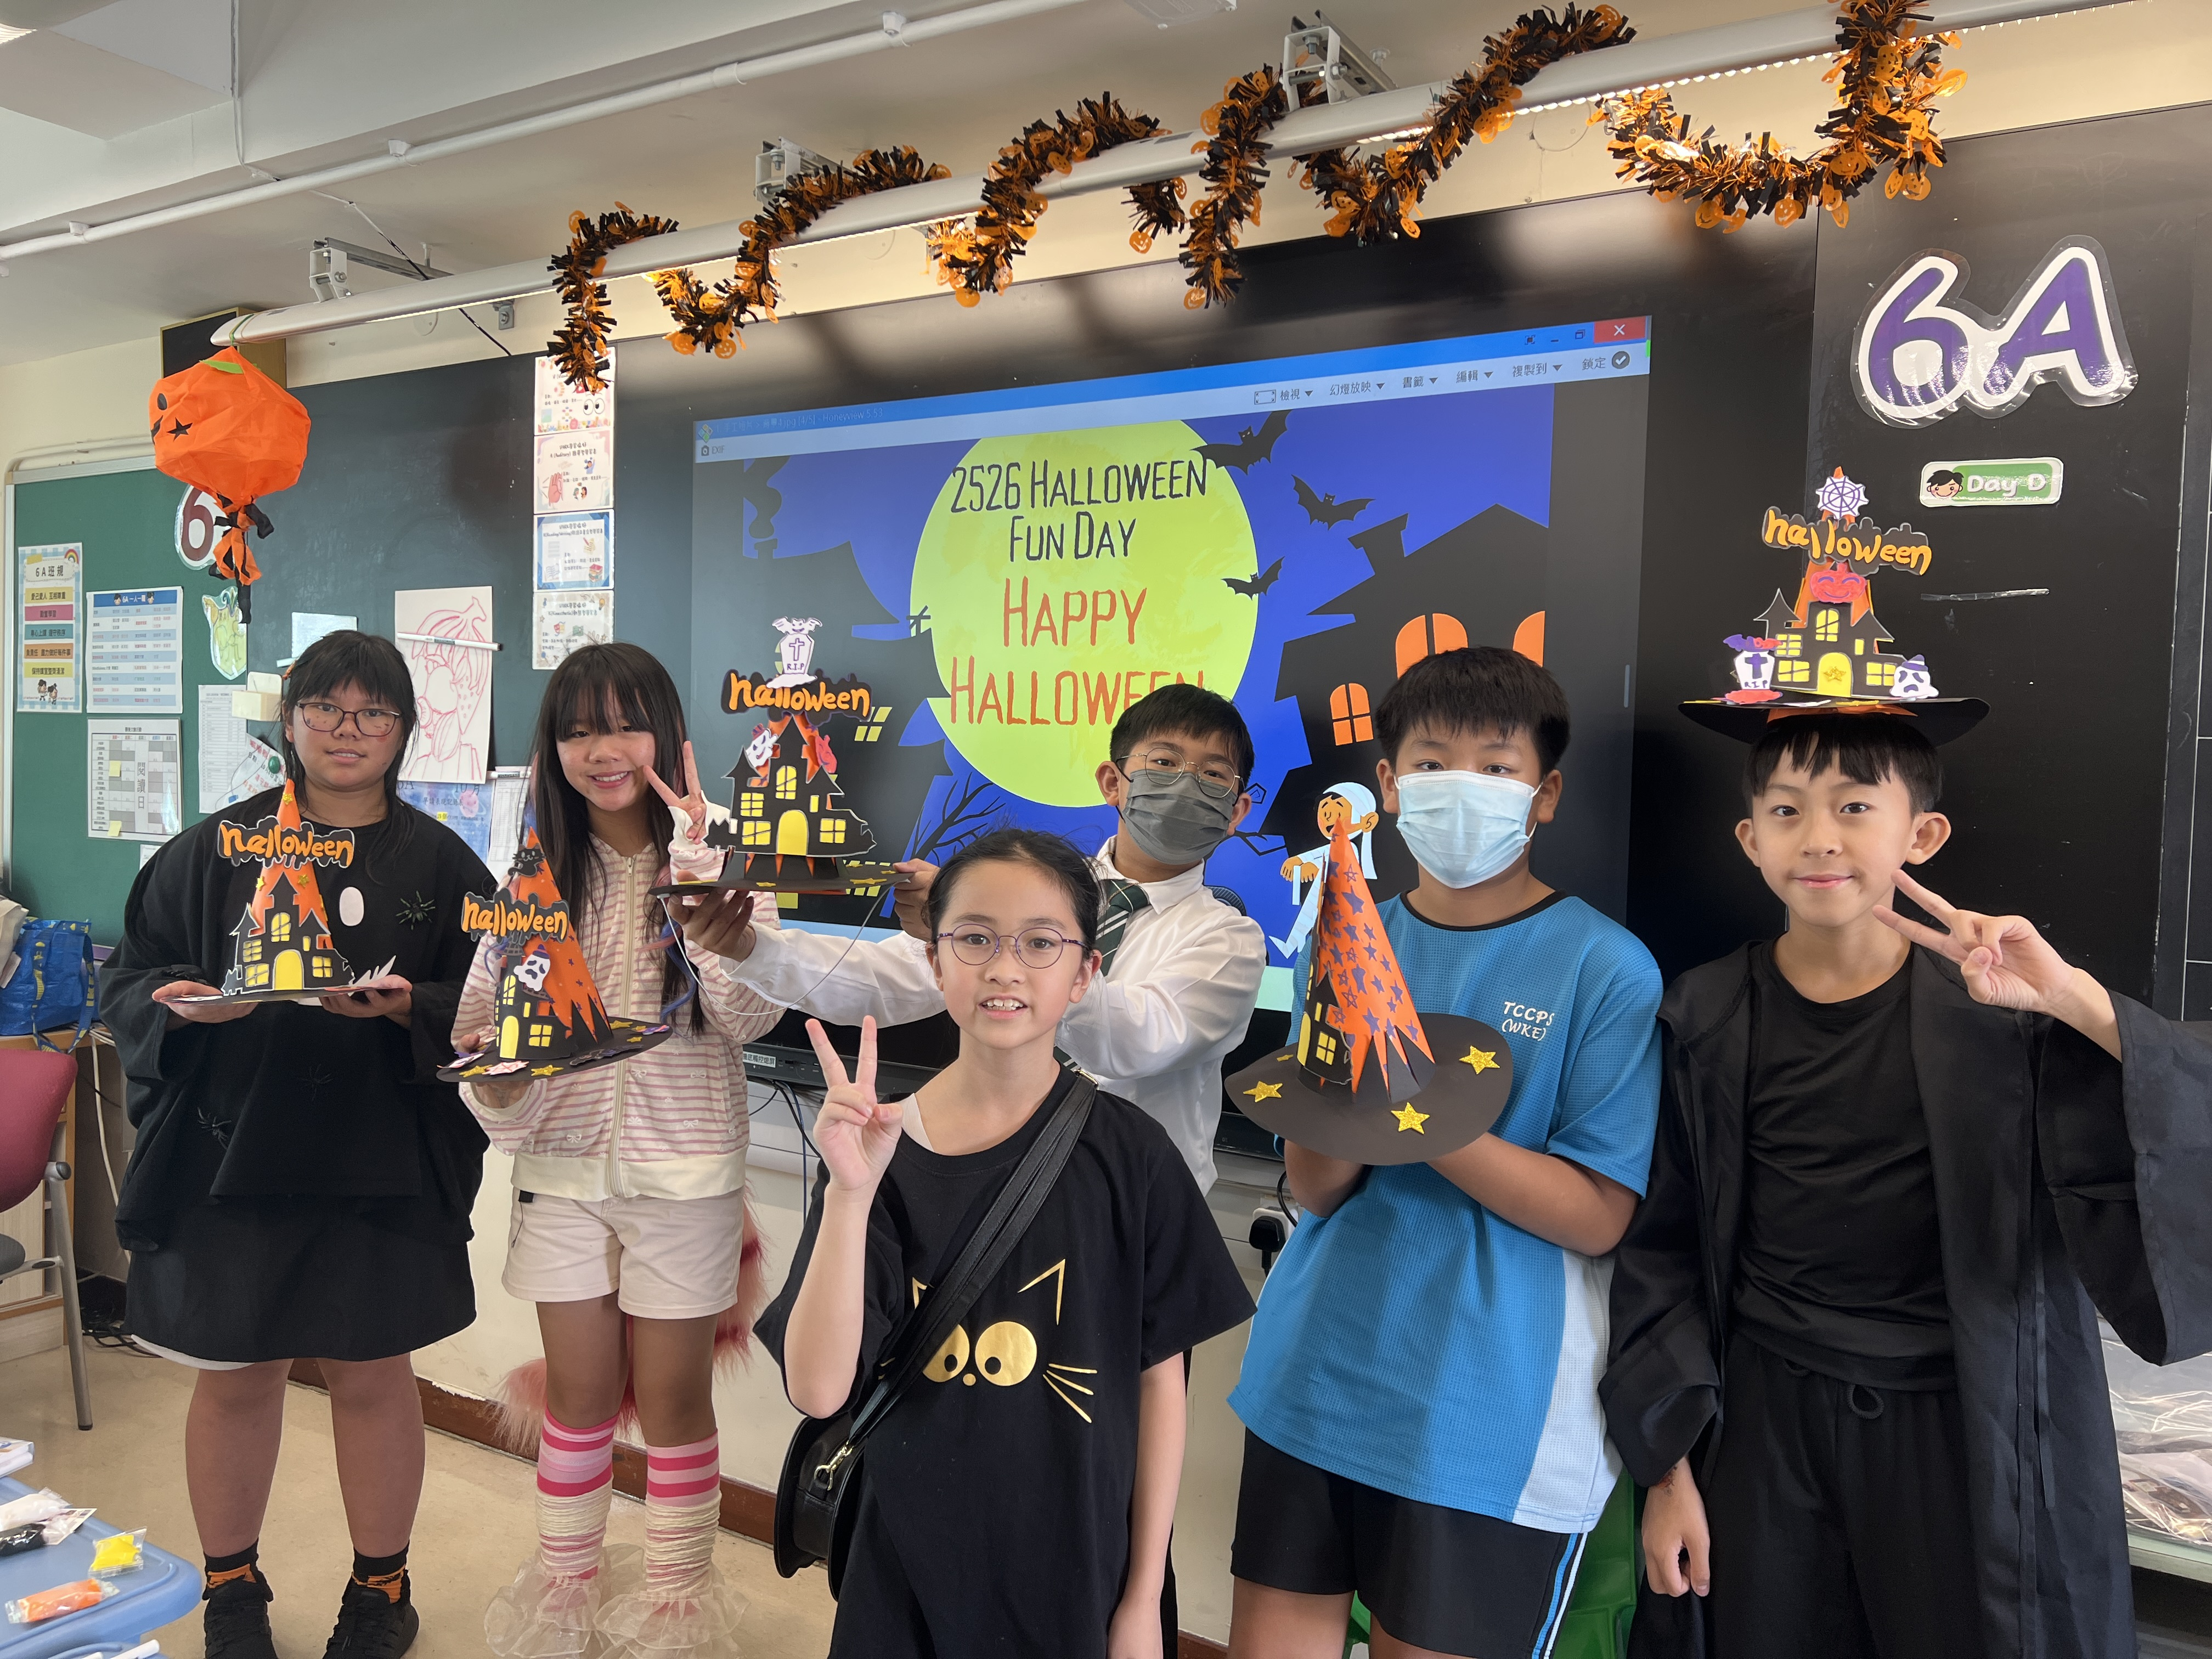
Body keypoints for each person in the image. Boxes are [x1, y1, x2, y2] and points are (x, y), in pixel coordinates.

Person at [1605, 713, 2212, 1659]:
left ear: (1921, 835)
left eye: (1854, 807)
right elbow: (1663, 1252)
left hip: (1966, 1419)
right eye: (1787, 810)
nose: (1819, 837)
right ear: (1750, 839)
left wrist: (2067, 999)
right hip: (1766, 1420)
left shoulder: (2000, 1015)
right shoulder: (1704, 1014)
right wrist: (1669, 1468)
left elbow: (2173, 1122)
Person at [1226, 646, 1663, 1659]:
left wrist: (1418, 1111)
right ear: (1387, 785)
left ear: (1544, 794)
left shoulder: (1606, 967)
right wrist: (1348, 1102)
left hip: (1485, 1405)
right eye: (1429, 763)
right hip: (1316, 1373)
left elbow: (1601, 1213)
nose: (1460, 785)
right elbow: (1316, 1186)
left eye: (1496, 766)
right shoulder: (1349, 939)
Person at [755, 828, 1254, 1658]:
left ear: (1085, 974)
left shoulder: (1135, 1158)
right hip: (904, 1566)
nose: (1006, 968)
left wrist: (1141, 1599)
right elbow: (816, 1389)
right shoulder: (877, 1149)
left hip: (1078, 1572)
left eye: (1041, 942)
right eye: (976, 938)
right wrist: (849, 1194)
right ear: (934, 961)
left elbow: (1161, 1388)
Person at [103, 630, 496, 1659]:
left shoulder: (443, 862)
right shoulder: (212, 850)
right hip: (232, 1152)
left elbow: (502, 993)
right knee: (238, 1373)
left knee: (373, 1370)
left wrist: (416, 1005)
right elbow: (131, 979)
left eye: (373, 712)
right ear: (289, 722)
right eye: (325, 708)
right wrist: (182, 1005)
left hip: (381, 1155)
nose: (346, 730)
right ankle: (231, 1587)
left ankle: (382, 1588)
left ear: (405, 730)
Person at [454, 643, 785, 1659]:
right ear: (553, 749)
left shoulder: (721, 858)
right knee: (579, 1398)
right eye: (578, 729)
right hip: (560, 1178)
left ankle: (678, 1605)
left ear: (667, 734)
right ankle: (563, 1592)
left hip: (685, 1181)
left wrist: (706, 908)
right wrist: (496, 1077)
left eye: (625, 723)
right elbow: (480, 1032)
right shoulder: (531, 881)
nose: (603, 749)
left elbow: (752, 1017)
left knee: (676, 1402)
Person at [688, 682, 1267, 1192]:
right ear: (1113, 782)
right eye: (1164, 762)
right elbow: (882, 982)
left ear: (1237, 810)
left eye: (1213, 775)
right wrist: (750, 948)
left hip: (1131, 1202)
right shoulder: (1023, 889)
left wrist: (1002, 939)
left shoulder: (1230, 941)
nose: (1186, 785)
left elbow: (1140, 1043)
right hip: (989, 1179)